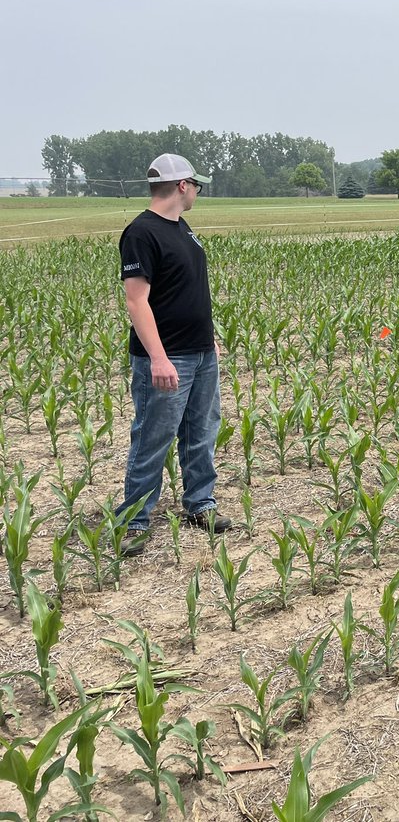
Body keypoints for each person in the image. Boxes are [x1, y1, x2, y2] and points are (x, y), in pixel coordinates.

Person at [115, 153, 231, 555]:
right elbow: (136, 301)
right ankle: (134, 521)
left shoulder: (182, 228)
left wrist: (208, 337)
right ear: (183, 185)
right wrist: (160, 358)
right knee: (153, 436)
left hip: (200, 352)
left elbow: (189, 290)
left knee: (201, 432)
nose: (197, 191)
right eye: (195, 184)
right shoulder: (141, 233)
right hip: (168, 358)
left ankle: (200, 504)